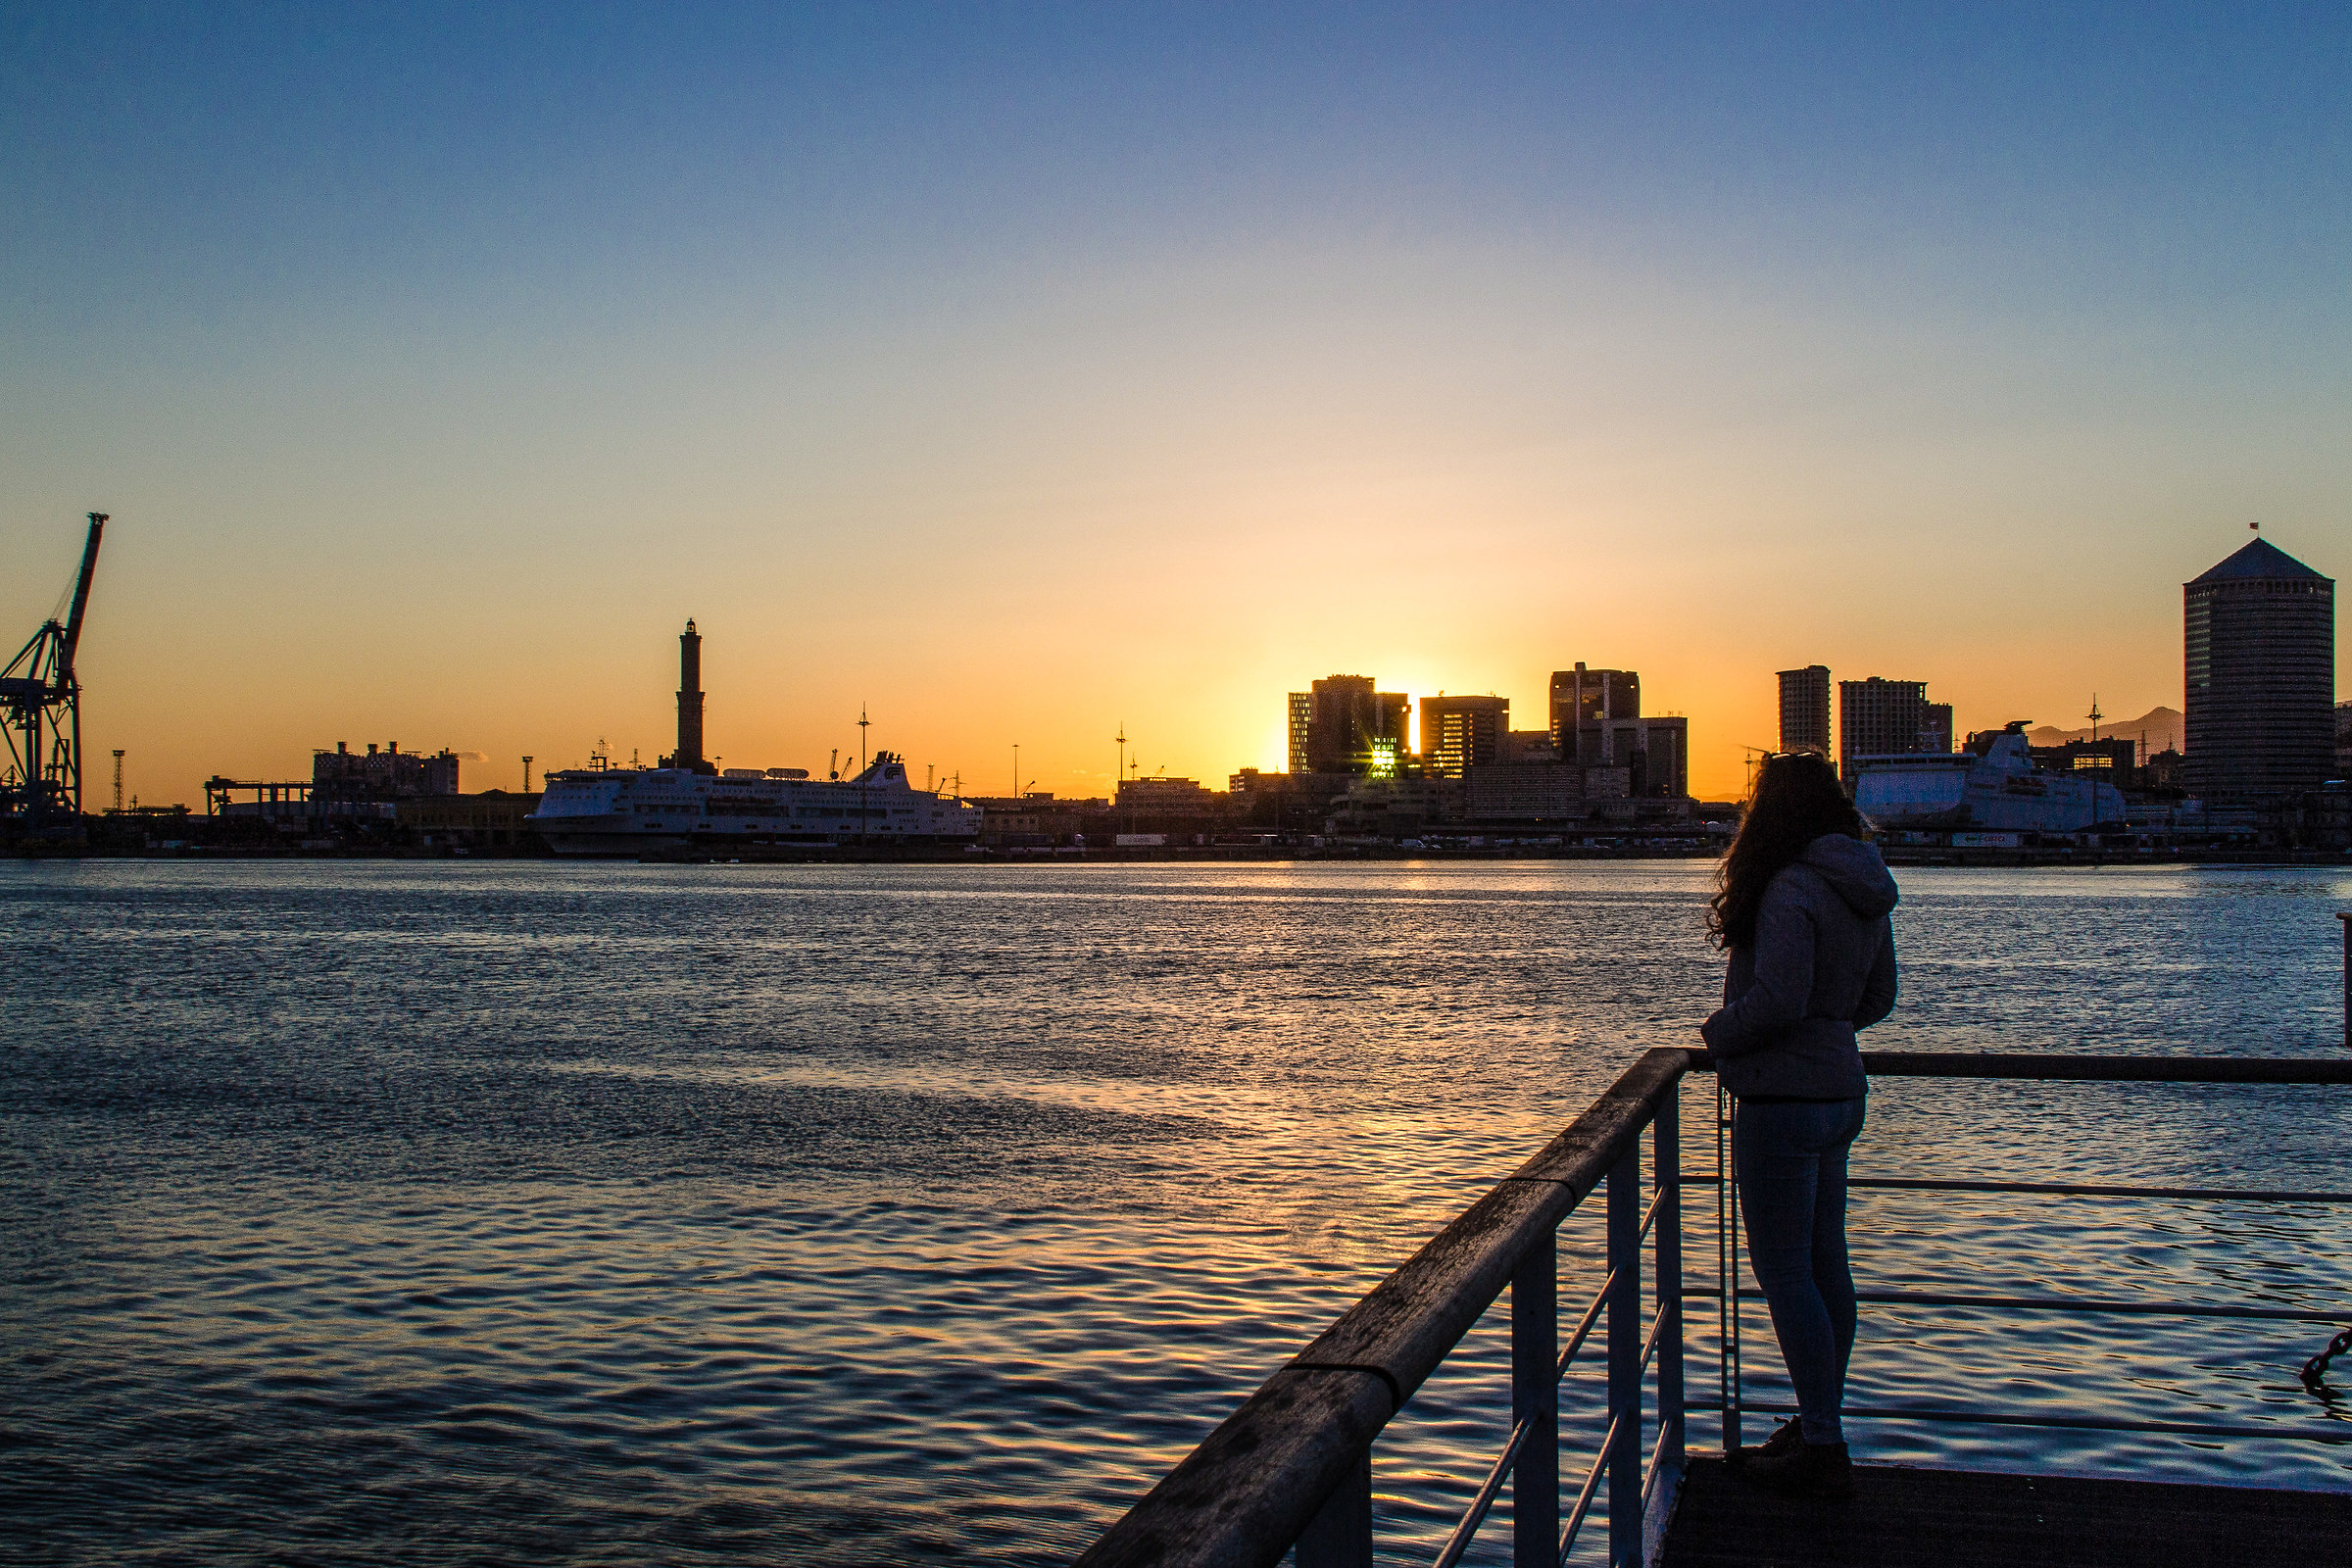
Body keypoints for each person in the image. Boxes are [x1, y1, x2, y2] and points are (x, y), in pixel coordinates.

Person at [1699, 750, 1898, 1498]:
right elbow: (1879, 998)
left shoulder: (1789, 887)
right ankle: (1821, 1420)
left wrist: (1719, 1034)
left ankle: (1821, 1441)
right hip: (1841, 1092)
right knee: (1825, 1267)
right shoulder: (1864, 884)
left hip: (1781, 1099)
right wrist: (1829, 1026)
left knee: (1785, 1272)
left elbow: (1778, 999)